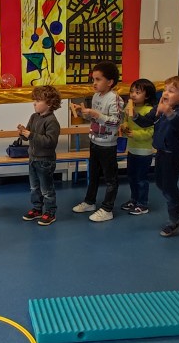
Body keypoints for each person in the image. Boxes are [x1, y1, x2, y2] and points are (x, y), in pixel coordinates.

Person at [70, 61, 124, 222]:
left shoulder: (115, 98)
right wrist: (83, 113)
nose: (94, 83)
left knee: (110, 179)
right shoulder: (96, 96)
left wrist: (96, 115)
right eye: (93, 79)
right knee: (93, 175)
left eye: (98, 79)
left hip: (108, 145)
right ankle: (90, 202)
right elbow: (94, 119)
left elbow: (116, 121)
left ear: (110, 82)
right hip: (95, 142)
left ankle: (107, 209)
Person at [152, 76, 179, 237]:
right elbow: (148, 119)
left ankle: (174, 221)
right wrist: (135, 116)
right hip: (161, 152)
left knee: (169, 187)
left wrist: (168, 111)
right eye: (165, 90)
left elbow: (178, 124)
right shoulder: (161, 108)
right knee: (159, 182)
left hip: (172, 154)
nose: (165, 93)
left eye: (171, 91)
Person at [19, 85, 62, 226]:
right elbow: (28, 136)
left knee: (46, 189)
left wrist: (31, 135)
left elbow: (50, 142)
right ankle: (37, 209)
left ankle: (50, 212)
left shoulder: (52, 121)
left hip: (45, 162)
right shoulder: (34, 117)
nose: (34, 103)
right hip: (33, 159)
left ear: (49, 104)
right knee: (34, 187)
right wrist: (23, 133)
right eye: (34, 100)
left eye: (38, 101)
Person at [120, 79, 157, 216]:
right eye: (132, 91)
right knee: (131, 177)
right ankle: (134, 200)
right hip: (132, 149)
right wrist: (124, 126)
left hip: (144, 151)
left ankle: (142, 204)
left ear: (147, 96)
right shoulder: (129, 107)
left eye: (137, 92)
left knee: (141, 179)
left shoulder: (149, 111)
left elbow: (150, 132)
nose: (133, 95)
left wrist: (135, 134)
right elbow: (125, 120)